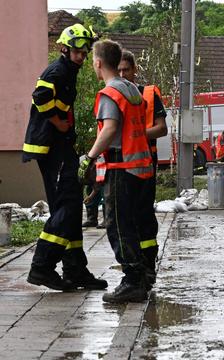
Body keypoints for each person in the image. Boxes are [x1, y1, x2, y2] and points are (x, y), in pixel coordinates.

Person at [22, 24, 107, 291]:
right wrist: (57, 122)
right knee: (67, 209)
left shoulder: (68, 71)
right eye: (77, 52)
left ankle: (74, 270)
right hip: (50, 149)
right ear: (64, 49)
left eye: (84, 52)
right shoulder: (57, 70)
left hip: (60, 148)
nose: (82, 57)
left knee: (69, 211)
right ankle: (42, 268)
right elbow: (40, 95)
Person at [83, 39, 154, 303]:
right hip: (139, 166)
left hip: (120, 167)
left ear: (98, 63)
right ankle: (142, 276)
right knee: (132, 223)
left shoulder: (110, 94)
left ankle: (132, 280)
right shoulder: (132, 89)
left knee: (118, 225)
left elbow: (111, 129)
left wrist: (90, 156)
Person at [118, 49, 167, 290]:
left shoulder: (147, 93)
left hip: (146, 160)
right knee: (125, 217)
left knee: (143, 215)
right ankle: (134, 266)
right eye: (118, 70)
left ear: (134, 70)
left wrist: (136, 136)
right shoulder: (113, 94)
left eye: (126, 69)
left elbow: (162, 129)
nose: (122, 73)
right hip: (121, 164)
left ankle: (147, 265)